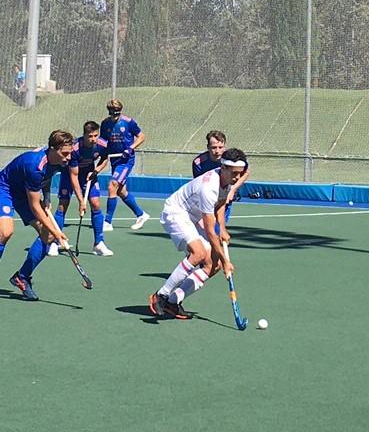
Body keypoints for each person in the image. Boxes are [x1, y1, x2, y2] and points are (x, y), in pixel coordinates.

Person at [0, 130, 74, 303]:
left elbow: (48, 176)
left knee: (47, 236)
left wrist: (48, 197)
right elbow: (35, 207)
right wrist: (57, 233)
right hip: (5, 190)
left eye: (69, 153)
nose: (68, 157)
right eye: (64, 153)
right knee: (6, 232)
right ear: (53, 149)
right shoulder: (34, 166)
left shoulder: (60, 161)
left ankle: (22, 277)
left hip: (26, 192)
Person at [149, 148, 248, 319]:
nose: (237, 178)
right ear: (223, 168)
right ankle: (161, 295)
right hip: (175, 212)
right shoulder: (208, 187)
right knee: (199, 253)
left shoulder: (227, 181)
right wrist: (226, 261)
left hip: (191, 217)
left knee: (213, 264)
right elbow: (210, 231)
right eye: (234, 173)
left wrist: (222, 229)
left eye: (240, 173)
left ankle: (174, 301)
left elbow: (221, 205)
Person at [48, 121, 113, 257]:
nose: (93, 139)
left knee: (96, 204)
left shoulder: (101, 144)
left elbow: (104, 159)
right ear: (84, 135)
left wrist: (96, 171)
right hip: (70, 174)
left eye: (95, 135)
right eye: (90, 136)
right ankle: (55, 242)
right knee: (62, 206)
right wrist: (81, 201)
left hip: (89, 174)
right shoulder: (75, 149)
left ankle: (99, 244)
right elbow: (74, 176)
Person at [100, 99, 149, 231]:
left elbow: (141, 136)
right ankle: (141, 214)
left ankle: (107, 222)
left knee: (112, 186)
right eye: (112, 114)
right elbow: (103, 141)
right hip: (115, 160)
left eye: (117, 114)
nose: (115, 117)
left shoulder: (128, 122)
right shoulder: (105, 124)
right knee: (121, 191)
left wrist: (131, 148)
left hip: (126, 160)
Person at [191, 130, 251, 225]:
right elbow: (198, 184)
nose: (217, 151)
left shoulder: (232, 159)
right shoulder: (198, 162)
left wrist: (232, 190)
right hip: (207, 198)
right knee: (204, 228)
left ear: (225, 147)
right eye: (214, 147)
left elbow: (246, 173)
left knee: (218, 227)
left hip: (224, 196)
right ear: (208, 147)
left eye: (220, 147)